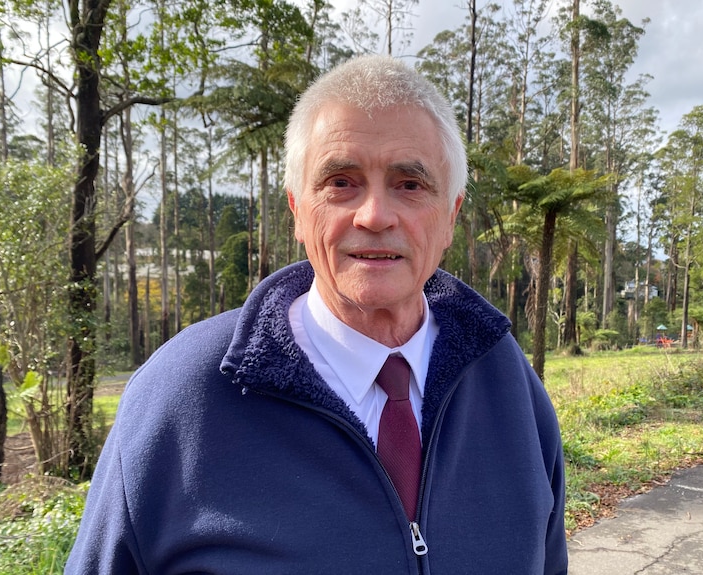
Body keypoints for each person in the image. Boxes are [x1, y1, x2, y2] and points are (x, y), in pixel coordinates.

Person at [66, 55, 568, 575]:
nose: (374, 215)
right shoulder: (181, 398)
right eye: (341, 182)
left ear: (450, 218)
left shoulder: (507, 382)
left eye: (409, 184)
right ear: (298, 212)